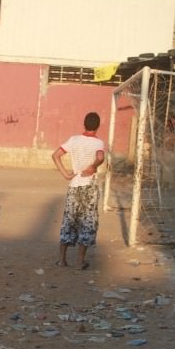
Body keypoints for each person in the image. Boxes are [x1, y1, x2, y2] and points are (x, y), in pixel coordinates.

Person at [51, 112, 105, 270]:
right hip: (90, 186)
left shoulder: (74, 140)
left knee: (69, 220)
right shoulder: (99, 143)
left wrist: (66, 174)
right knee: (88, 222)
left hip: (74, 185)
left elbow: (55, 155)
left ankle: (62, 260)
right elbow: (100, 157)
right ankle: (80, 262)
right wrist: (93, 166)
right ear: (97, 126)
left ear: (84, 124)